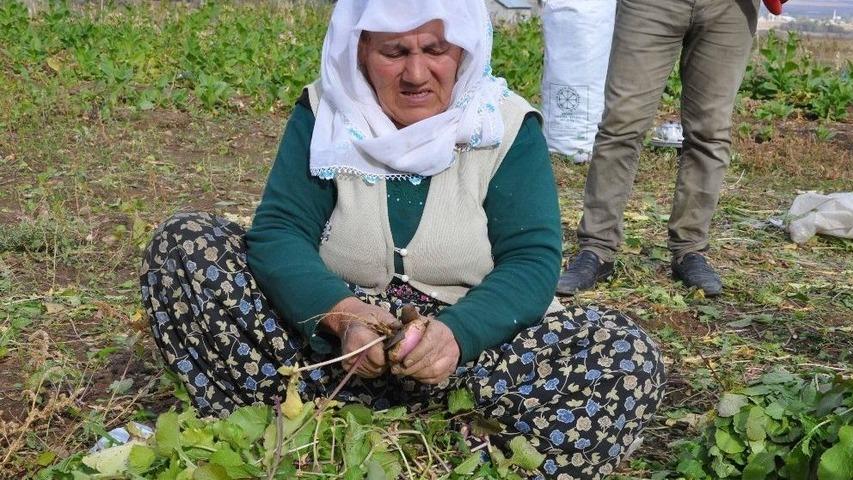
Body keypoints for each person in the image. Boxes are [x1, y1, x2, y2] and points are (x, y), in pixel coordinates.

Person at [140, 1, 664, 478]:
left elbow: (531, 261)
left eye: (436, 51)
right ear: (360, 51)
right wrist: (343, 316)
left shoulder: (502, 126)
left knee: (626, 355)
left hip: (472, 366)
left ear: (465, 50)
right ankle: (287, 430)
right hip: (327, 358)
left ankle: (463, 455)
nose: (416, 73)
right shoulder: (327, 114)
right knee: (184, 246)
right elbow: (280, 232)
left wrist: (456, 336)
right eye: (394, 52)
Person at [557, 0, 782, 298]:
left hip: (730, 7)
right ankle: (596, 249)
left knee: (710, 132)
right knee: (621, 124)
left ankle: (690, 250)